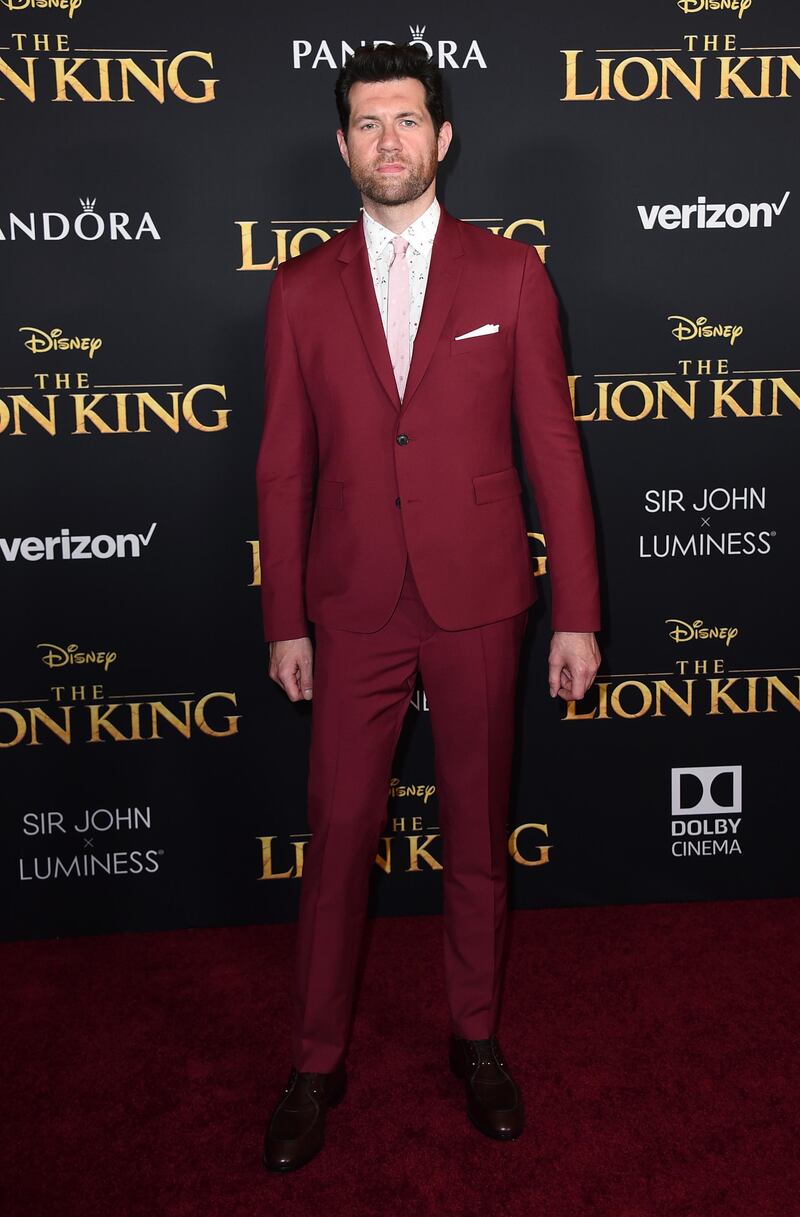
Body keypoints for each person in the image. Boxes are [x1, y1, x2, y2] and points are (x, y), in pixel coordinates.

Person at [256, 42, 601, 1173]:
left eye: (407, 120)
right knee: (338, 838)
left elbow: (552, 446)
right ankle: (315, 1059)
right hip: (350, 601)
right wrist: (283, 620)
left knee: (472, 836)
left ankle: (476, 1037)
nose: (388, 142)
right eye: (367, 124)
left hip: (479, 600)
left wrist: (575, 613)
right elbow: (282, 468)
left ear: (442, 137)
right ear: (343, 143)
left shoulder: (508, 274)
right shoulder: (301, 290)